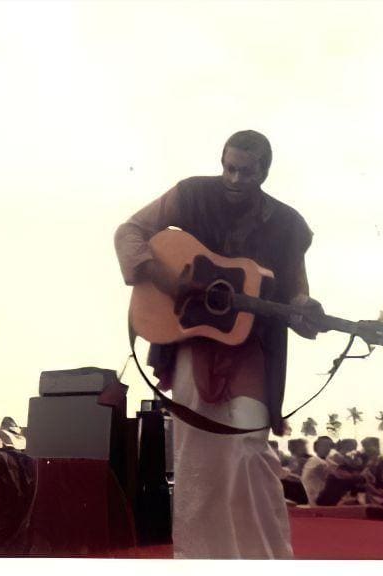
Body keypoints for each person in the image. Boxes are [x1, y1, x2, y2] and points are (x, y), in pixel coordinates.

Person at [114, 130, 321, 559]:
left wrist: (306, 307)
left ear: (264, 172)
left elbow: (295, 290)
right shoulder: (190, 195)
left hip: (253, 349)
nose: (234, 178)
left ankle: (266, 559)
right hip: (192, 339)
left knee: (248, 448)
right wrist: (169, 280)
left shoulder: (288, 224)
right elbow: (130, 231)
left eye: (246, 171)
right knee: (197, 460)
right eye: (229, 167)